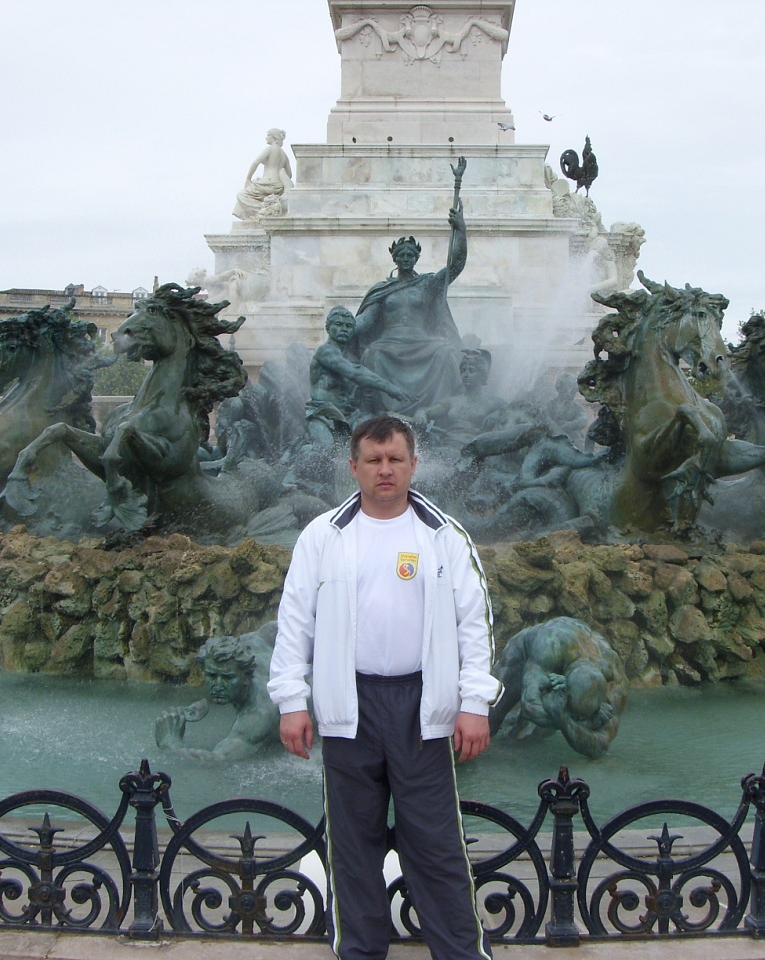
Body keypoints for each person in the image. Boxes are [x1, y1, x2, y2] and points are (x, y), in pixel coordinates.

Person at [268, 415, 501, 960]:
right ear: (354, 467)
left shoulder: (444, 534)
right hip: (348, 704)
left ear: (414, 464)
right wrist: (291, 700)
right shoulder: (323, 535)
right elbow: (295, 621)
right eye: (373, 460)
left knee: (436, 843)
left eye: (395, 459)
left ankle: (461, 953)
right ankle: (361, 951)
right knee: (353, 845)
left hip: (422, 706)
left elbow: (475, 622)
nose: (385, 470)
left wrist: (475, 703)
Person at [352, 190, 468, 417]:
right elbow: (366, 320)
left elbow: (457, 264)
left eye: (410, 255)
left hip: (422, 341)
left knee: (445, 352)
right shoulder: (382, 289)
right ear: (394, 258)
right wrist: (346, 325)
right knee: (372, 354)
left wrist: (461, 230)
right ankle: (378, 413)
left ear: (416, 258)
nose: (405, 259)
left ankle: (439, 412)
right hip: (389, 343)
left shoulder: (428, 284)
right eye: (401, 255)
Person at [488, 617, 628, 760]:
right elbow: (530, 705)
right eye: (577, 716)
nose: (578, 719)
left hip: (559, 666)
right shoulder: (551, 643)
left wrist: (563, 715)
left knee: (523, 740)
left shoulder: (616, 683)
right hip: (525, 654)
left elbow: (600, 747)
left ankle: (516, 725)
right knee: (490, 717)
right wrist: (577, 720)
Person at [153, 624, 280, 762]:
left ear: (246, 677)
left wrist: (169, 742)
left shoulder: (259, 714)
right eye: (211, 676)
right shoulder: (256, 640)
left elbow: (217, 760)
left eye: (228, 678)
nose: (218, 686)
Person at [306, 306, 412, 447]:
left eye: (348, 326)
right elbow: (355, 373)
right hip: (323, 413)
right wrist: (390, 388)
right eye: (338, 324)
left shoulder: (350, 358)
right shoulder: (325, 351)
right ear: (328, 328)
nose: (344, 329)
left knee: (372, 443)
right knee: (325, 449)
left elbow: (360, 378)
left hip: (348, 415)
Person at [233, 128, 294, 220]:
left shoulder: (270, 149)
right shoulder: (284, 154)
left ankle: (264, 210)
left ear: (274, 138)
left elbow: (255, 163)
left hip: (268, 183)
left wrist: (248, 179)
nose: (266, 137)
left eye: (268, 135)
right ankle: (267, 208)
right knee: (247, 195)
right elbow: (289, 174)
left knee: (241, 195)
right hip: (278, 186)